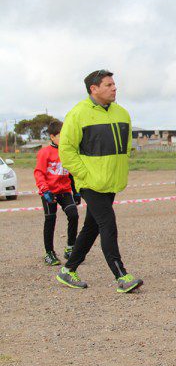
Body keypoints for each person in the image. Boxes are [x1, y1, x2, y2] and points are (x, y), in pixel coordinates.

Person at [57, 69, 143, 293]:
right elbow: (66, 151)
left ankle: (68, 270)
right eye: (108, 85)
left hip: (111, 181)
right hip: (90, 182)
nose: (114, 88)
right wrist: (84, 175)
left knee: (92, 227)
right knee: (108, 223)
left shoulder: (122, 113)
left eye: (114, 84)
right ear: (93, 89)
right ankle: (121, 276)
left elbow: (125, 147)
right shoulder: (77, 114)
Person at [34, 119, 80, 266]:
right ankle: (49, 253)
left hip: (65, 191)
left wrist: (76, 191)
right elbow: (39, 172)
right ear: (52, 137)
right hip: (49, 192)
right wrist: (45, 190)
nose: (64, 138)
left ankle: (70, 248)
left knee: (73, 215)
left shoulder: (67, 152)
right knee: (50, 220)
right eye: (61, 135)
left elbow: (71, 173)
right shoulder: (44, 153)